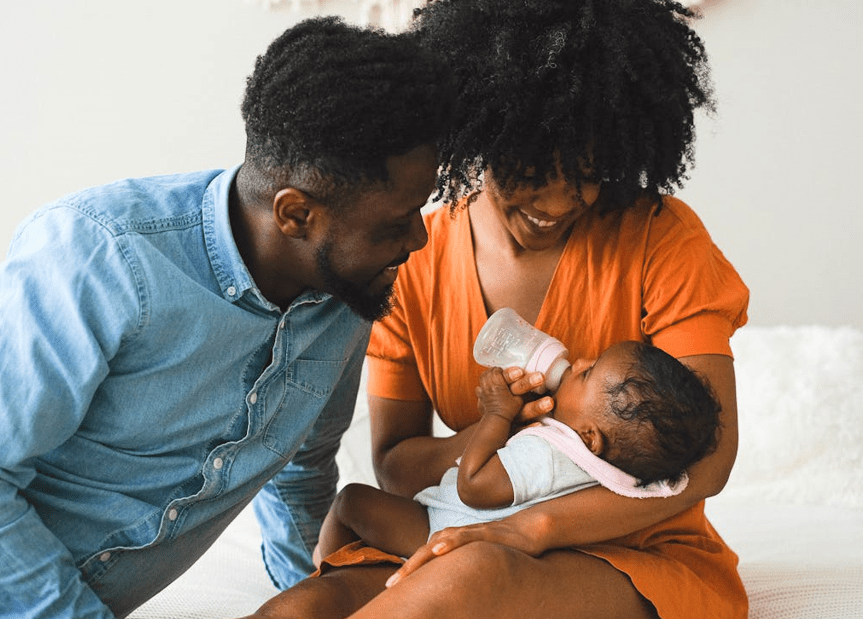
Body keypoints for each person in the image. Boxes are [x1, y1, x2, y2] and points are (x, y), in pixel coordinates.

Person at [241, 1, 750, 619]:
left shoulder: (661, 240)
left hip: (629, 547)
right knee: (298, 609)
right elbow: (398, 468)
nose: (562, 200)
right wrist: (499, 434)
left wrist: (530, 530)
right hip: (455, 527)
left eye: (588, 175)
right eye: (534, 170)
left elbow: (710, 457)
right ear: (480, 133)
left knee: (476, 574)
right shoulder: (412, 260)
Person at [0, 16, 452, 619]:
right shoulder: (99, 255)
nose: (420, 240)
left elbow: (299, 470)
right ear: (295, 214)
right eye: (396, 221)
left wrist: (319, 595)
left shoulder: (347, 294)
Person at [315, 341, 722, 562]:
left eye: (588, 372)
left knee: (352, 501)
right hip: (491, 550)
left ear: (590, 436)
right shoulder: (611, 469)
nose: (578, 361)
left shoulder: (548, 454)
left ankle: (322, 568)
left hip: (440, 526)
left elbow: (473, 487)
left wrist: (496, 415)